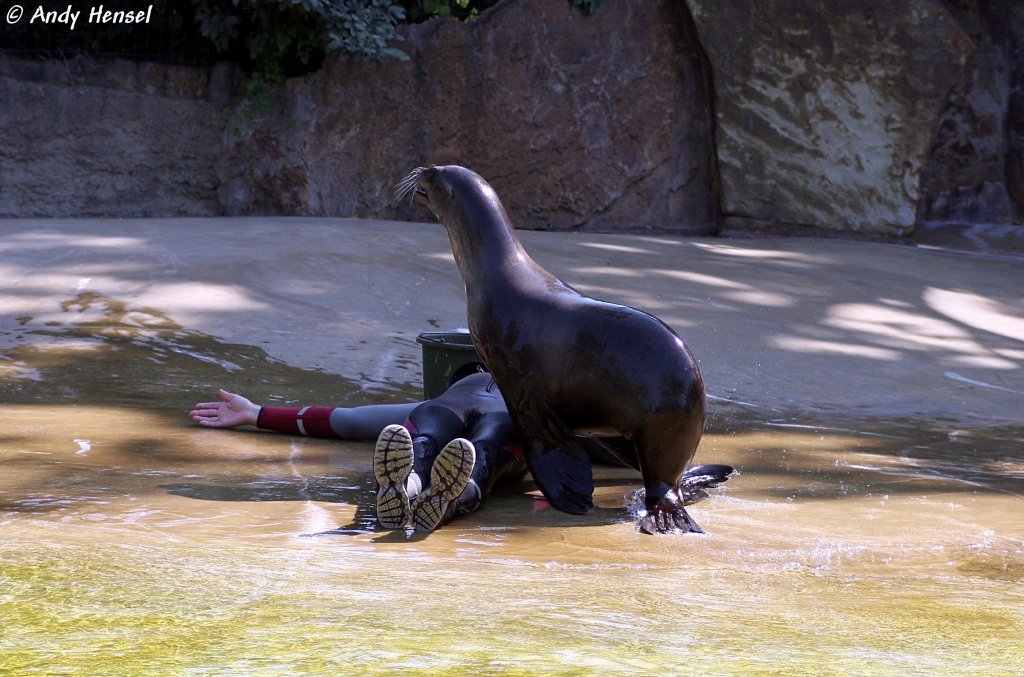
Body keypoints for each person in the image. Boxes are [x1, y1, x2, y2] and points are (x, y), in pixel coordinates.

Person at [189, 372, 528, 532]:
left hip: (436, 411)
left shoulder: (445, 394)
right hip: (514, 420)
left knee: (423, 442)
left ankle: (405, 485)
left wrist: (258, 412)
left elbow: (348, 420)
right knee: (487, 454)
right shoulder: (539, 403)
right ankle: (451, 500)